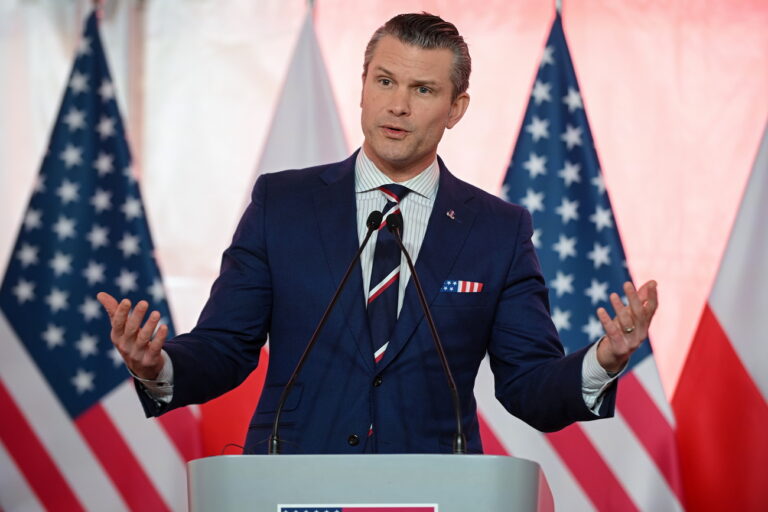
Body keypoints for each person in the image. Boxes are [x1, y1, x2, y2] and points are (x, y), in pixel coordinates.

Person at [98, 13, 657, 454]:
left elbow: (529, 386)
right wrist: (159, 366)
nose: (397, 105)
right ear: (362, 86)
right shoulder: (283, 204)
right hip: (294, 484)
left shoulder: (497, 231)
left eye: (422, 90)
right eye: (385, 81)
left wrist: (601, 361)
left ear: (455, 108)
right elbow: (226, 347)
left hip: (434, 491)